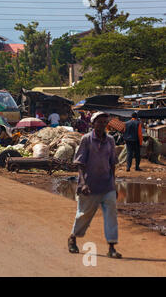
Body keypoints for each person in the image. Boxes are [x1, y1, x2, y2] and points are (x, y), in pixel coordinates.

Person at [68, 111, 122, 259]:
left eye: (105, 122)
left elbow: (112, 164)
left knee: (111, 215)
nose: (103, 125)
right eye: (99, 122)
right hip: (89, 186)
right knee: (84, 215)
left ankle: (111, 247)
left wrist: (114, 184)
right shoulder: (86, 139)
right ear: (93, 124)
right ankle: (73, 238)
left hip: (107, 185)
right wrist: (83, 183)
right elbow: (80, 164)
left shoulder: (110, 140)